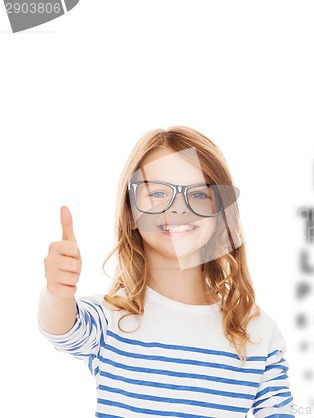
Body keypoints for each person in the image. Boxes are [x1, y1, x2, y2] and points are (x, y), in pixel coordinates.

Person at [38, 126, 295, 417]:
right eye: (158, 193)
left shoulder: (259, 333)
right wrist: (57, 292)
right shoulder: (110, 319)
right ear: (131, 213)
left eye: (199, 194)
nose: (178, 208)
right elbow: (60, 328)